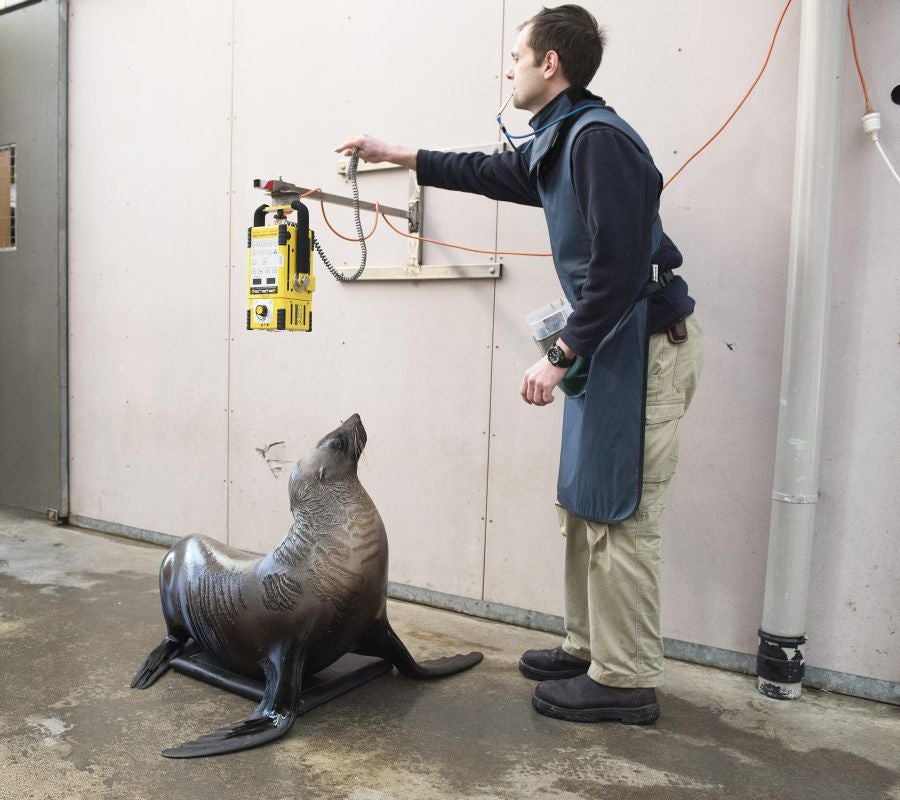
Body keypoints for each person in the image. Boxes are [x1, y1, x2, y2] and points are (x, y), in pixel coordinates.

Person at [337, 4, 703, 725]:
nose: (507, 68)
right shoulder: (561, 140)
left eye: (515, 55)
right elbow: (490, 170)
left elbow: (622, 267)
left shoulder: (598, 142)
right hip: (612, 349)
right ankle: (588, 647)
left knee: (620, 517)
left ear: (550, 64)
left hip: (642, 352)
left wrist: (563, 353)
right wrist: (401, 154)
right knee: (583, 504)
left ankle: (624, 679)